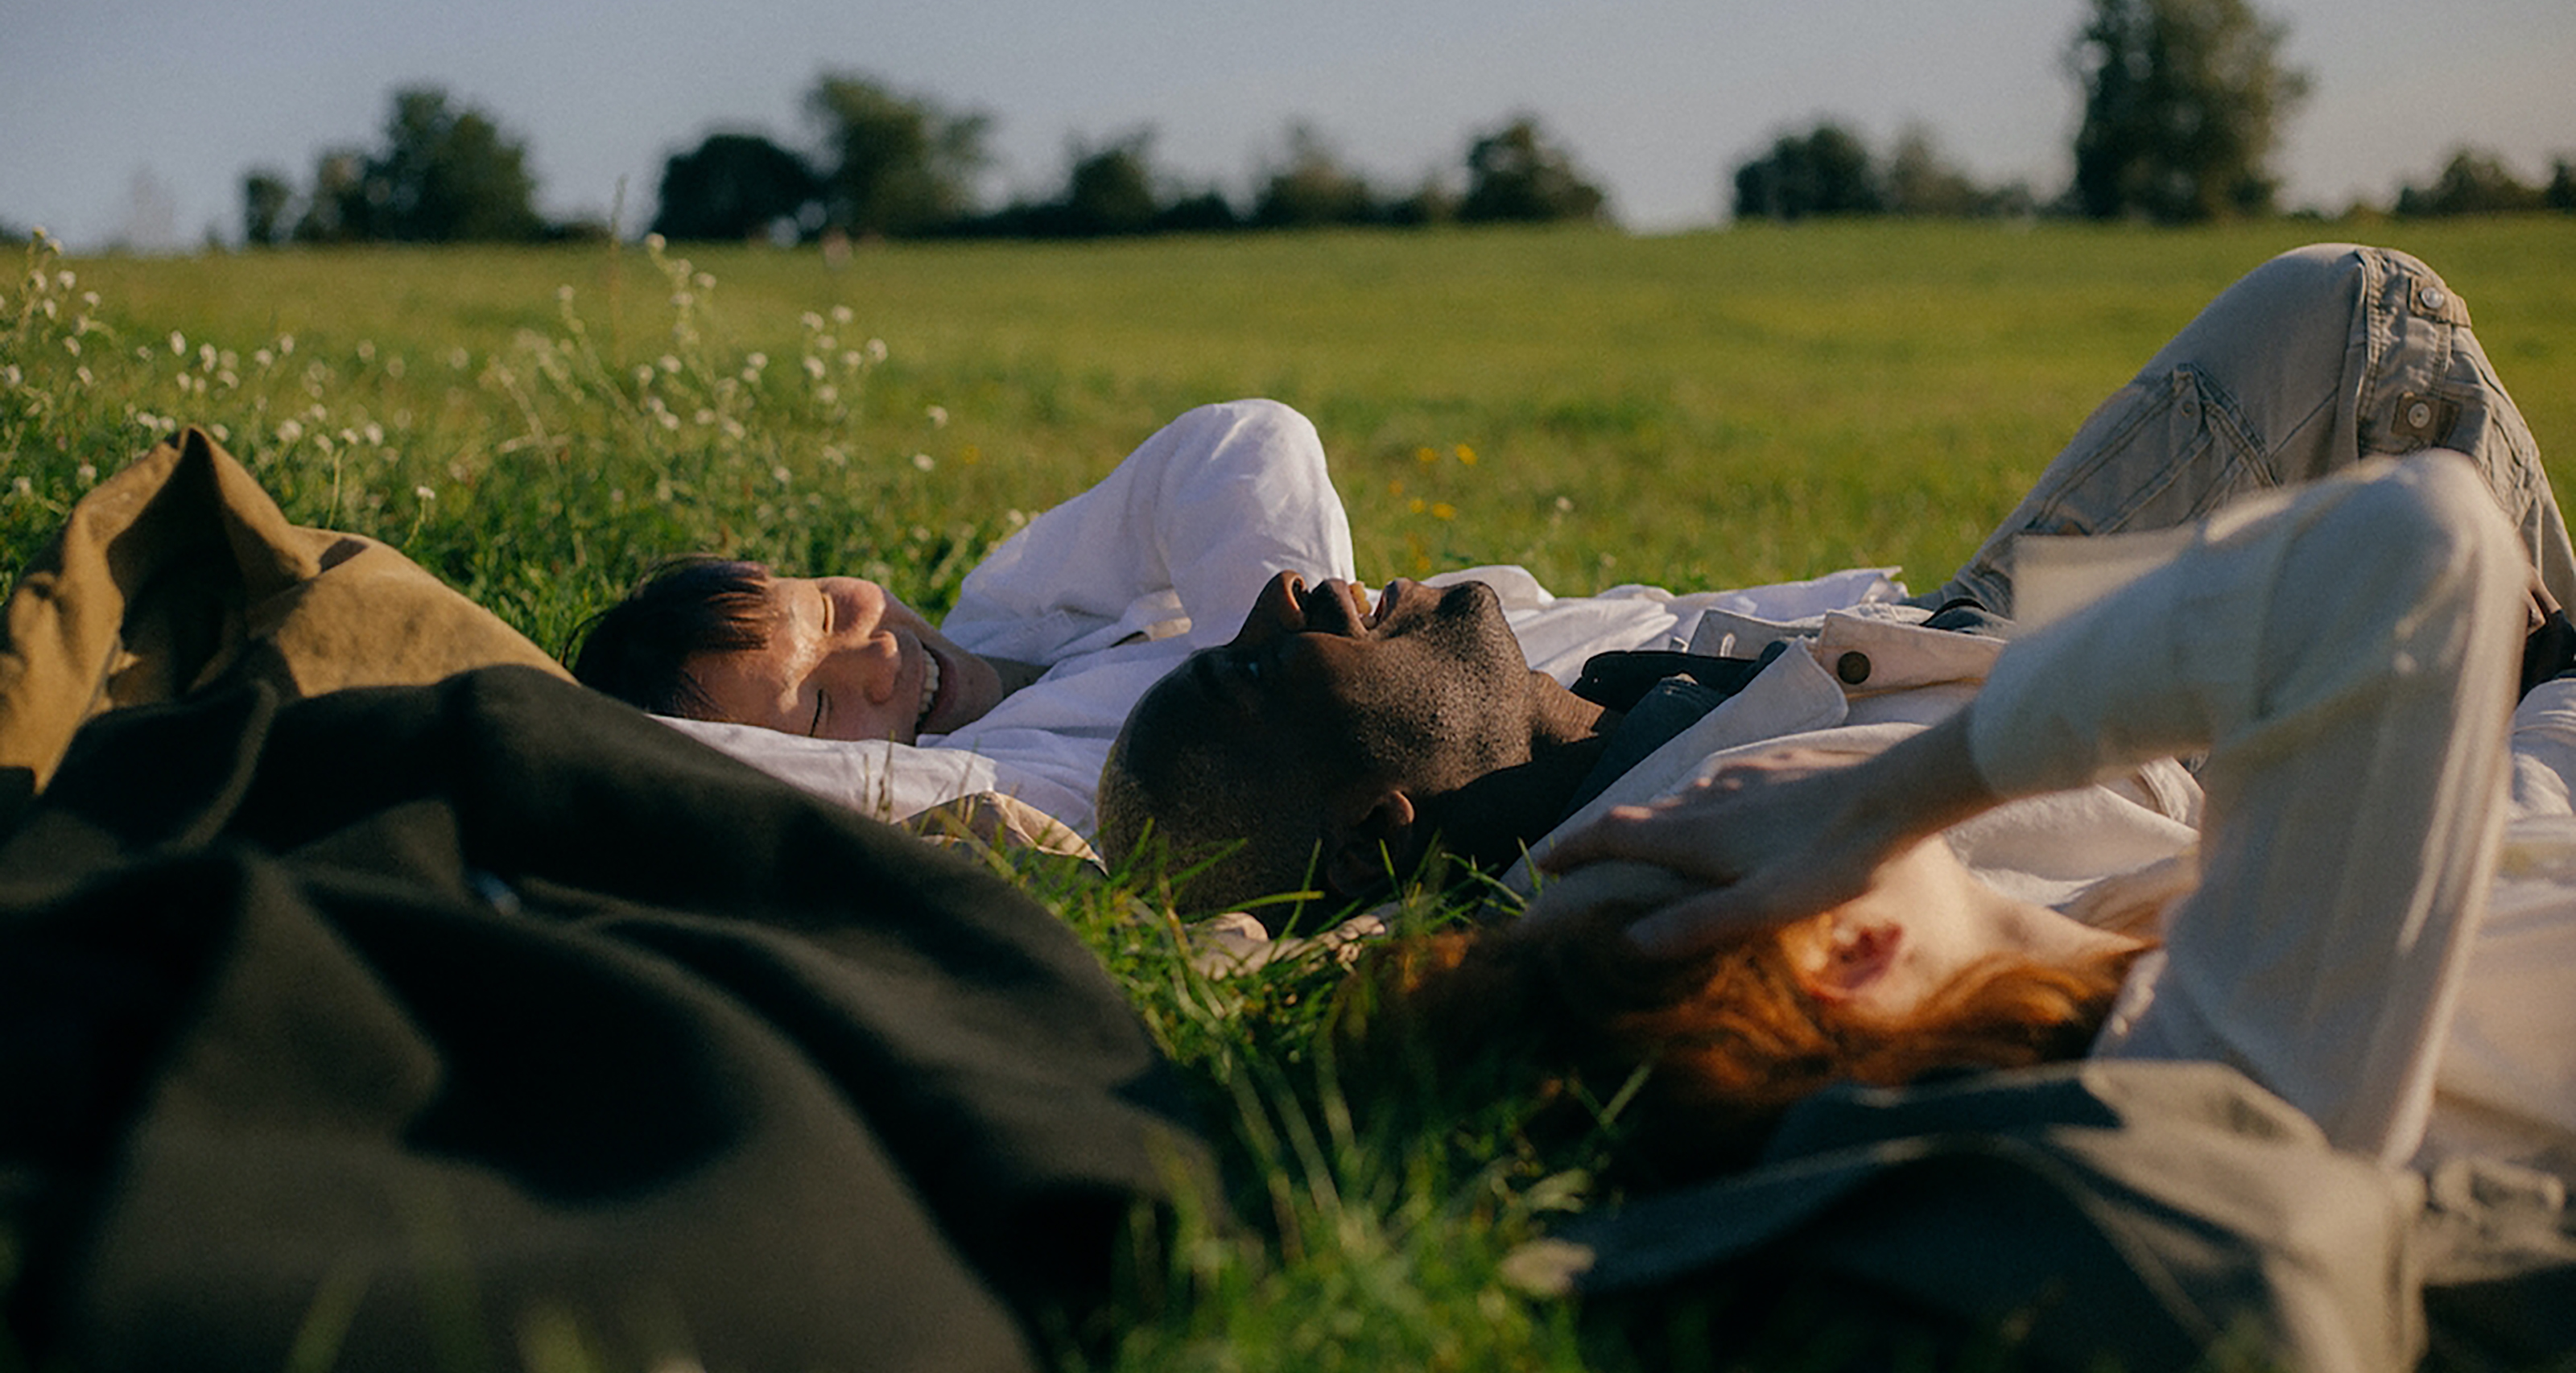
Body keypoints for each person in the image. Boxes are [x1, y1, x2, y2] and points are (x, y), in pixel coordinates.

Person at [1096, 243, 2576, 926]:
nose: (1286, 595)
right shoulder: (1702, 865)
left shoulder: (1586, 690)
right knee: (2388, 378)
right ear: (1373, 836)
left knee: (2346, 310)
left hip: (1977, 624)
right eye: (1248, 667)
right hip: (2099, 709)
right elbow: (2164, 849)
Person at [1415, 449, 2576, 1180]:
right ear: (1860, 953)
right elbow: (2417, 537)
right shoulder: (2224, 1077)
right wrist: (1882, 795)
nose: (1711, 794)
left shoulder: (2139, 951)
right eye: (1705, 842)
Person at [573, 397, 1897, 837]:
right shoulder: (1013, 777)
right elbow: (713, 766)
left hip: (1682, 629)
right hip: (1679, 727)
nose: (872, 664)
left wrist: (1297, 652)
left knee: (2001, 594)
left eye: (832, 610)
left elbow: (1237, 444)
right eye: (816, 705)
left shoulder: (1017, 606)